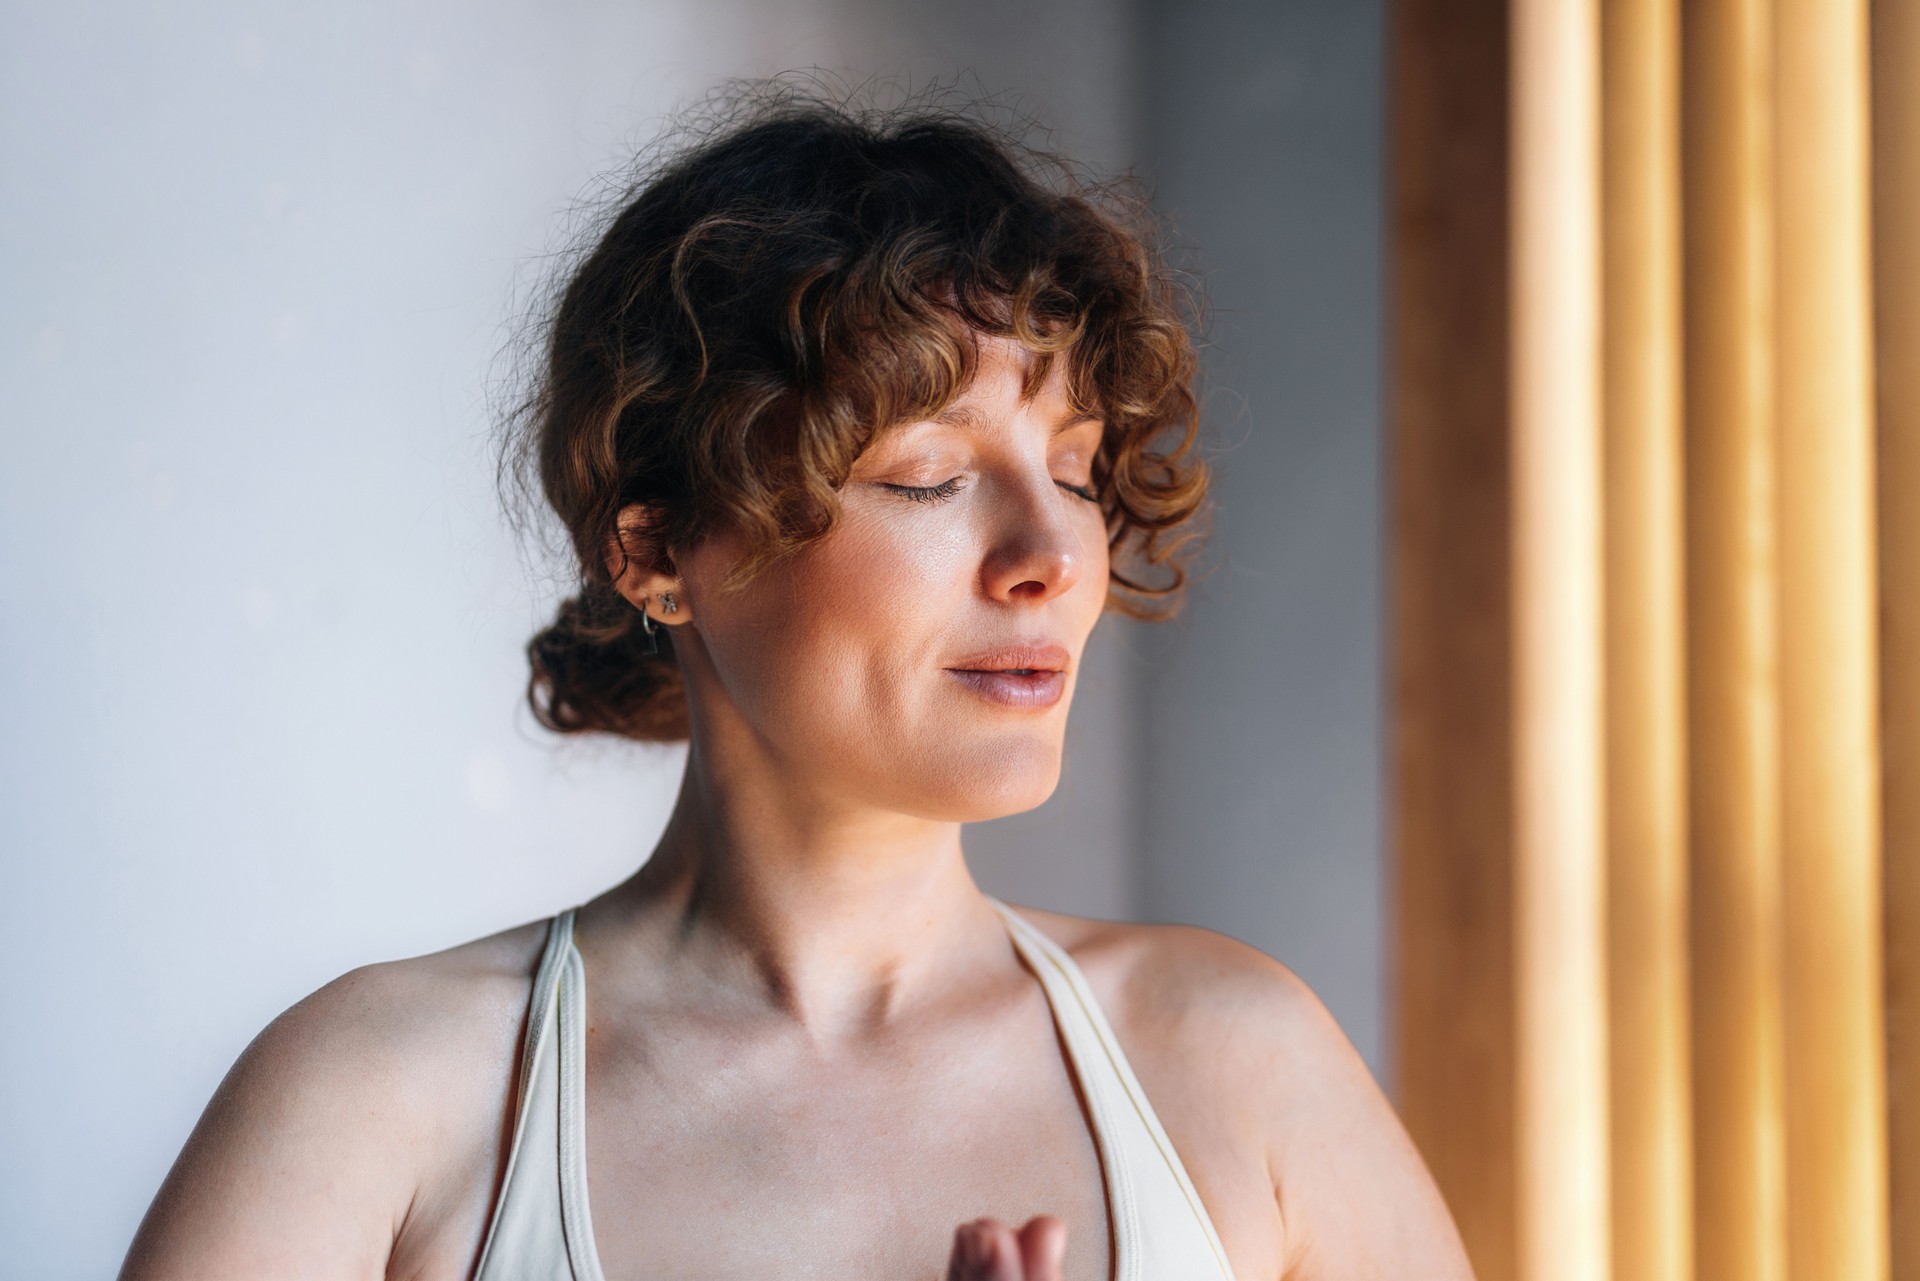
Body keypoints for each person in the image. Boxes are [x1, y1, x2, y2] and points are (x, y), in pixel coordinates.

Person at [119, 87, 1473, 1281]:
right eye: (928, 477)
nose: (1054, 553)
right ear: (659, 554)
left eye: (1072, 471)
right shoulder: (373, 1105)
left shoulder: (1240, 1068)